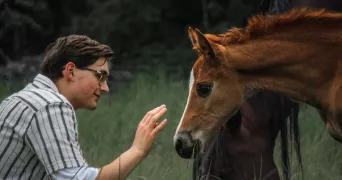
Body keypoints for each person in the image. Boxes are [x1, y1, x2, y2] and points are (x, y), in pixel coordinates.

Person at [0, 35, 168, 179]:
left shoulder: (17, 100)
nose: (105, 88)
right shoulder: (51, 105)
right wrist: (137, 150)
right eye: (100, 76)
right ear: (71, 71)